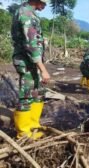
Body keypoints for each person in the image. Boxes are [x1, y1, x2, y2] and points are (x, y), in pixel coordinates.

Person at [11, 0, 50, 139]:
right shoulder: (25, 14)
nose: (44, 6)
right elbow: (30, 45)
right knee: (27, 95)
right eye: (43, 3)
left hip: (33, 63)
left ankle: (33, 124)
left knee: (38, 93)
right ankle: (23, 133)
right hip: (27, 62)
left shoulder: (29, 13)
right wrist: (43, 69)